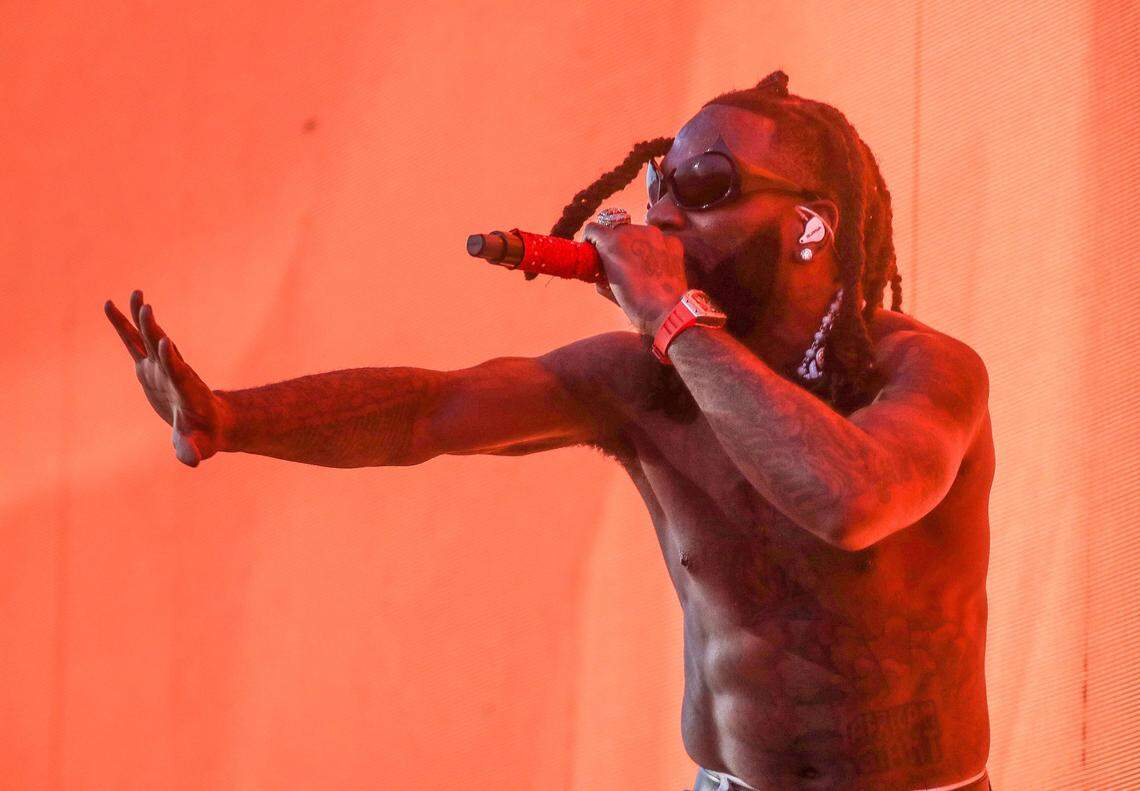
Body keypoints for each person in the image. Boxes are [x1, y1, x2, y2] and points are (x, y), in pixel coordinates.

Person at [104, 70, 994, 791]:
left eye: (703, 186)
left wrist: (670, 312)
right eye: (658, 186)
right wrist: (232, 417)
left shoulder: (922, 372)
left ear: (809, 226)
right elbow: (428, 411)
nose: (663, 216)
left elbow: (853, 502)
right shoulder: (647, 379)